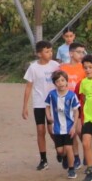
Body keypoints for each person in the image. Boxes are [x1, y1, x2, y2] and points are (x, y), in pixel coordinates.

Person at [22, 40, 62, 171]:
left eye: (51, 51)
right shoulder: (33, 67)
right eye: (47, 51)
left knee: (52, 131)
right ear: (39, 54)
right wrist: (25, 107)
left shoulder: (56, 65)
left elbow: (63, 81)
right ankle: (43, 159)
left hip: (53, 102)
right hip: (39, 103)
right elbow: (28, 87)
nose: (50, 53)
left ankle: (59, 147)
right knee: (40, 130)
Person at [44, 71, 82, 179]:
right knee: (60, 150)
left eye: (62, 80)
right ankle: (63, 157)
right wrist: (48, 116)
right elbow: (46, 106)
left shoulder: (72, 95)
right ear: (54, 83)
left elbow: (76, 111)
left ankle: (71, 169)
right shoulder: (51, 95)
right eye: (57, 81)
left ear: (66, 82)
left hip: (69, 127)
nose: (60, 83)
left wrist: (74, 126)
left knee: (69, 148)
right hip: (57, 128)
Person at [58, 42, 89, 170]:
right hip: (66, 104)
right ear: (71, 53)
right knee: (72, 132)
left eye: (83, 52)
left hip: (81, 103)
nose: (81, 54)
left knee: (80, 130)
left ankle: (87, 151)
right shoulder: (62, 68)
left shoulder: (85, 68)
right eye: (79, 52)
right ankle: (75, 157)